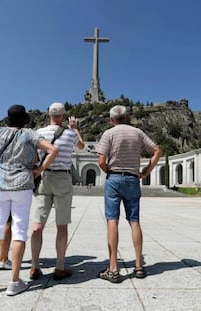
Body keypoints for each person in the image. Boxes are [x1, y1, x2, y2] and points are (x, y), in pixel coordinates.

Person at [0, 104, 58, 296]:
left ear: (8, 119)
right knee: (19, 231)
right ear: (24, 119)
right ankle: (14, 281)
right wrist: (39, 170)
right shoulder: (30, 134)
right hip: (22, 185)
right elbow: (52, 150)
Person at [96, 105, 161, 282]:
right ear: (127, 117)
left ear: (111, 120)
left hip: (114, 179)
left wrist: (110, 170)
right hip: (133, 179)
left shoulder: (108, 134)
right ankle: (139, 267)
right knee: (134, 221)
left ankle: (113, 269)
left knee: (112, 221)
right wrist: (146, 171)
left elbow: (101, 161)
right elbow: (157, 150)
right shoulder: (138, 133)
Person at [30, 102, 84, 280]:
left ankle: (35, 267)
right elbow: (82, 146)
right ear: (63, 117)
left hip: (44, 177)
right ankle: (60, 266)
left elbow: (34, 155)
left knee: (38, 225)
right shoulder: (69, 133)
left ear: (48, 115)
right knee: (62, 225)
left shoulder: (39, 133)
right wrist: (75, 128)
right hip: (62, 178)